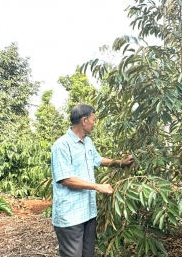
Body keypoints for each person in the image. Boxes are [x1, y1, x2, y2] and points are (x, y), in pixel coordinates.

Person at [51, 104, 133, 257]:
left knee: (88, 254)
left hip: (88, 212)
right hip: (70, 216)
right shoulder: (61, 145)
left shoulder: (87, 142)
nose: (94, 124)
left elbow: (97, 159)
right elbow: (66, 179)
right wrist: (97, 186)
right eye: (93, 120)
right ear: (84, 120)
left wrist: (120, 162)